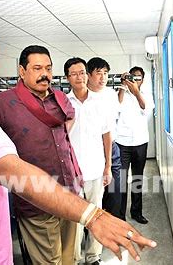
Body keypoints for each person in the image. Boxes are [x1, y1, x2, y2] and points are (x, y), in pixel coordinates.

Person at [0, 14, 156, 264]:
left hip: (64, 192)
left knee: (67, 257)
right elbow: (9, 170)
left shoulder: (59, 101)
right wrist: (94, 216)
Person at [0, 45, 81, 264]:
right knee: (49, 261)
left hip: (70, 192)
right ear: (22, 71)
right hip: (36, 199)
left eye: (48, 68)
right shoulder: (2, 104)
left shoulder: (60, 98)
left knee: (70, 258)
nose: (45, 74)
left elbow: (69, 118)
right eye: (37, 68)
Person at [65, 57, 112, 265]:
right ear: (67, 78)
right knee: (74, 218)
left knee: (95, 216)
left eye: (82, 72)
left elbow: (107, 136)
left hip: (95, 169)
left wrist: (108, 166)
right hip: (71, 172)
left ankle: (93, 256)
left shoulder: (100, 102)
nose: (79, 76)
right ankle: (74, 258)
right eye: (74, 73)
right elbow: (59, 137)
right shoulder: (63, 103)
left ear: (87, 74)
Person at [116, 66, 155, 224]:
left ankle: (136, 212)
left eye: (138, 77)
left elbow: (146, 108)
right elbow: (115, 109)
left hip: (140, 142)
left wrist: (136, 92)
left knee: (137, 178)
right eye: (132, 77)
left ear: (142, 80)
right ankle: (120, 215)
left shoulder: (146, 95)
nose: (135, 80)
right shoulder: (121, 93)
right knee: (121, 181)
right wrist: (122, 88)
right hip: (122, 143)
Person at [86, 57, 122, 219]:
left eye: (106, 73)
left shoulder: (110, 94)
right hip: (91, 149)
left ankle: (114, 223)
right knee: (92, 193)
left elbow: (114, 120)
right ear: (88, 75)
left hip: (112, 147)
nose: (103, 78)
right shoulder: (83, 96)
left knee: (115, 189)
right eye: (98, 73)